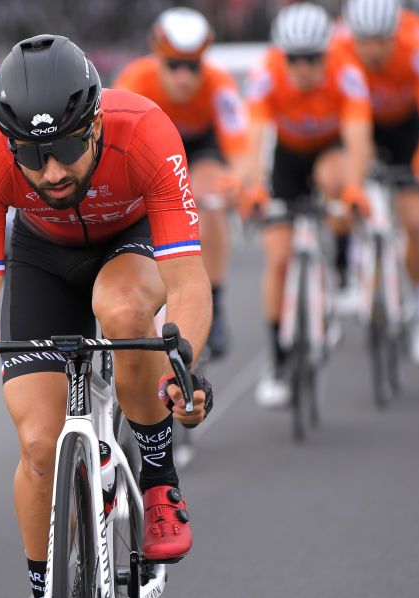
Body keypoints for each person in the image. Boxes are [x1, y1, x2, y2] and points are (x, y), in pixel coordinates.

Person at [0, 35, 213, 598]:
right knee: (36, 445)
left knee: (121, 311)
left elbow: (191, 284)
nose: (51, 171)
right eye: (31, 156)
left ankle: (160, 476)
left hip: (132, 244)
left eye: (64, 147)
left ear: (96, 124)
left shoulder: (145, 132)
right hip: (43, 259)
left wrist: (187, 367)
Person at [245, 3, 374, 407]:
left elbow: (358, 138)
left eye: (312, 58)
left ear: (326, 53)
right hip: (287, 157)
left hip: (328, 151)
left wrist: (354, 189)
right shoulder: (265, 74)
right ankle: (279, 358)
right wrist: (253, 188)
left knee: (336, 178)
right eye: (294, 59)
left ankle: (342, 267)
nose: (303, 67)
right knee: (278, 258)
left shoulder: (347, 72)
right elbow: (253, 136)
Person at [115, 7, 251, 359]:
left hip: (199, 148)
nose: (184, 77)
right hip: (152, 146)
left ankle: (215, 305)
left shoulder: (220, 85)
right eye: (174, 65)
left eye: (193, 67)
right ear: (158, 58)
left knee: (210, 197)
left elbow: (241, 148)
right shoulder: (135, 79)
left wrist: (237, 183)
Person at [334, 0, 419, 365]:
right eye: (364, 41)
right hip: (360, 125)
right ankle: (351, 270)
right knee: (343, 185)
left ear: (395, 34)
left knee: (415, 222)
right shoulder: (338, 51)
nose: (372, 50)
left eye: (381, 41)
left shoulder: (418, 49)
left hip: (406, 129)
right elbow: (345, 121)